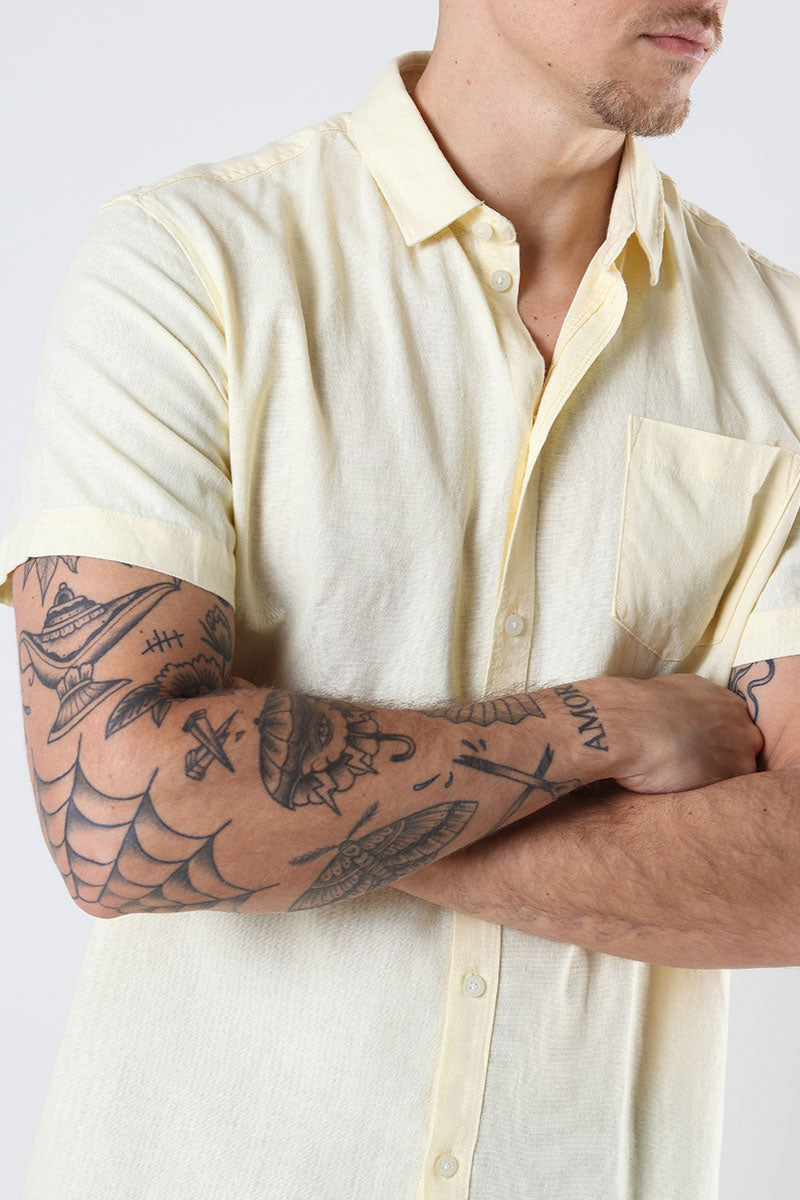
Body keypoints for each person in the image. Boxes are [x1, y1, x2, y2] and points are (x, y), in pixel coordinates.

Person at [3, 1, 800, 1196]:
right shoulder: (189, 264)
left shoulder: (780, 348)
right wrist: (592, 729)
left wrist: (277, 808)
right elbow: (119, 817)